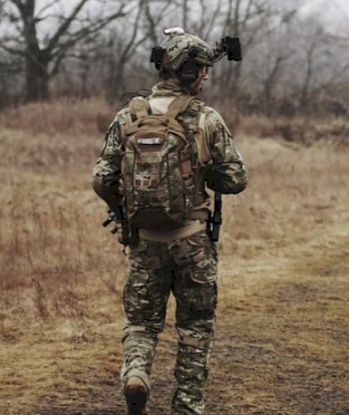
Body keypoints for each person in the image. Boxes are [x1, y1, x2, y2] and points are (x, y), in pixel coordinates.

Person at [92, 28, 248, 415]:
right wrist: (204, 173)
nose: (206, 75)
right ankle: (187, 406)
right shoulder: (205, 118)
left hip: (144, 240)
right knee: (195, 327)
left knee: (142, 323)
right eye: (202, 69)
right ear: (187, 71)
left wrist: (124, 212)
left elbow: (101, 178)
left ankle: (136, 372)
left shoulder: (129, 116)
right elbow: (235, 179)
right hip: (193, 242)